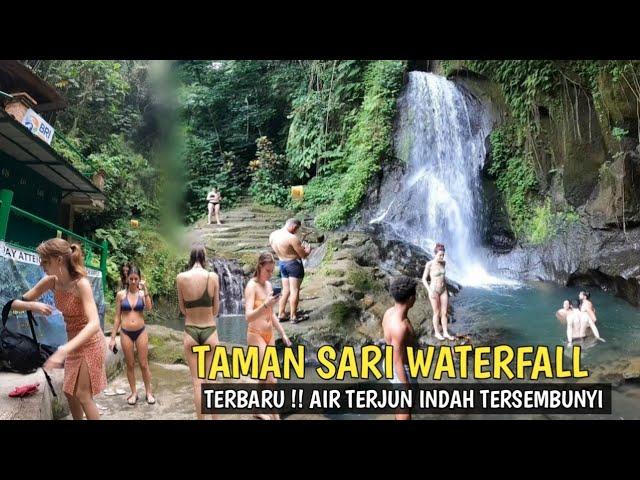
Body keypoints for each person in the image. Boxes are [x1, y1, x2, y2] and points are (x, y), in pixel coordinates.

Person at [11, 238, 107, 420]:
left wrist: (63, 350)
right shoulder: (51, 282)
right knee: (69, 393)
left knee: (83, 394)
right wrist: (33, 305)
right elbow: (16, 304)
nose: (42, 266)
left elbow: (94, 324)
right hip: (72, 346)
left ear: (59, 260)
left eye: (45, 262)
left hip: (91, 343)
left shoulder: (81, 284)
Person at [244, 252, 292, 420]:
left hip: (269, 334)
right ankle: (276, 418)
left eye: (272, 271)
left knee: (264, 378)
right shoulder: (251, 286)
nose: (270, 274)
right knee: (272, 380)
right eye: (268, 270)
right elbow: (248, 316)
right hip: (255, 334)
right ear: (260, 267)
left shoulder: (269, 286)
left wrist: (283, 333)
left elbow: (271, 315)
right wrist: (265, 304)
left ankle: (256, 410)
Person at [176, 245, 220, 419]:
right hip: (209, 330)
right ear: (204, 258)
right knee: (212, 382)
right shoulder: (213, 277)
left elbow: (183, 309)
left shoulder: (181, 278)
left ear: (191, 258)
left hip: (191, 331)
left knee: (197, 383)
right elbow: (216, 310)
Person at [109, 264, 155, 405]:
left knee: (143, 364)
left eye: (136, 279)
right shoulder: (121, 295)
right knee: (130, 364)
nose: (134, 281)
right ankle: (134, 392)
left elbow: (149, 308)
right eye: (131, 278)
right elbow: (117, 317)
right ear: (127, 279)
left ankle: (148, 392)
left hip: (141, 331)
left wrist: (145, 290)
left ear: (140, 279)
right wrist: (112, 338)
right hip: (126, 333)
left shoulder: (142, 294)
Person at [382, 276, 419, 420]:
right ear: (410, 299)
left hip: (390, 363)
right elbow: (398, 361)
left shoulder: (389, 312)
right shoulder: (400, 327)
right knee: (405, 406)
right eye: (414, 295)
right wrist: (406, 385)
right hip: (401, 369)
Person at [269, 218, 311, 324]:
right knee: (294, 290)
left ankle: (281, 314)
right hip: (294, 265)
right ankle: (293, 316)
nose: (296, 231)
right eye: (296, 229)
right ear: (294, 226)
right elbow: (303, 255)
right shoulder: (292, 238)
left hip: (282, 263)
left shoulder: (273, 235)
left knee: (285, 290)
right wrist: (307, 251)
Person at [422, 243, 454, 340]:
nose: (442, 257)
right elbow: (423, 279)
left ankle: (445, 332)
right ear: (435, 254)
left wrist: (446, 288)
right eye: (440, 255)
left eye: (443, 255)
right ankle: (437, 332)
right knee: (436, 312)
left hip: (443, 290)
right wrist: (429, 290)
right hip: (434, 290)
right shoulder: (430, 264)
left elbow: (442, 277)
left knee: (444, 313)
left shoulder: (444, 263)